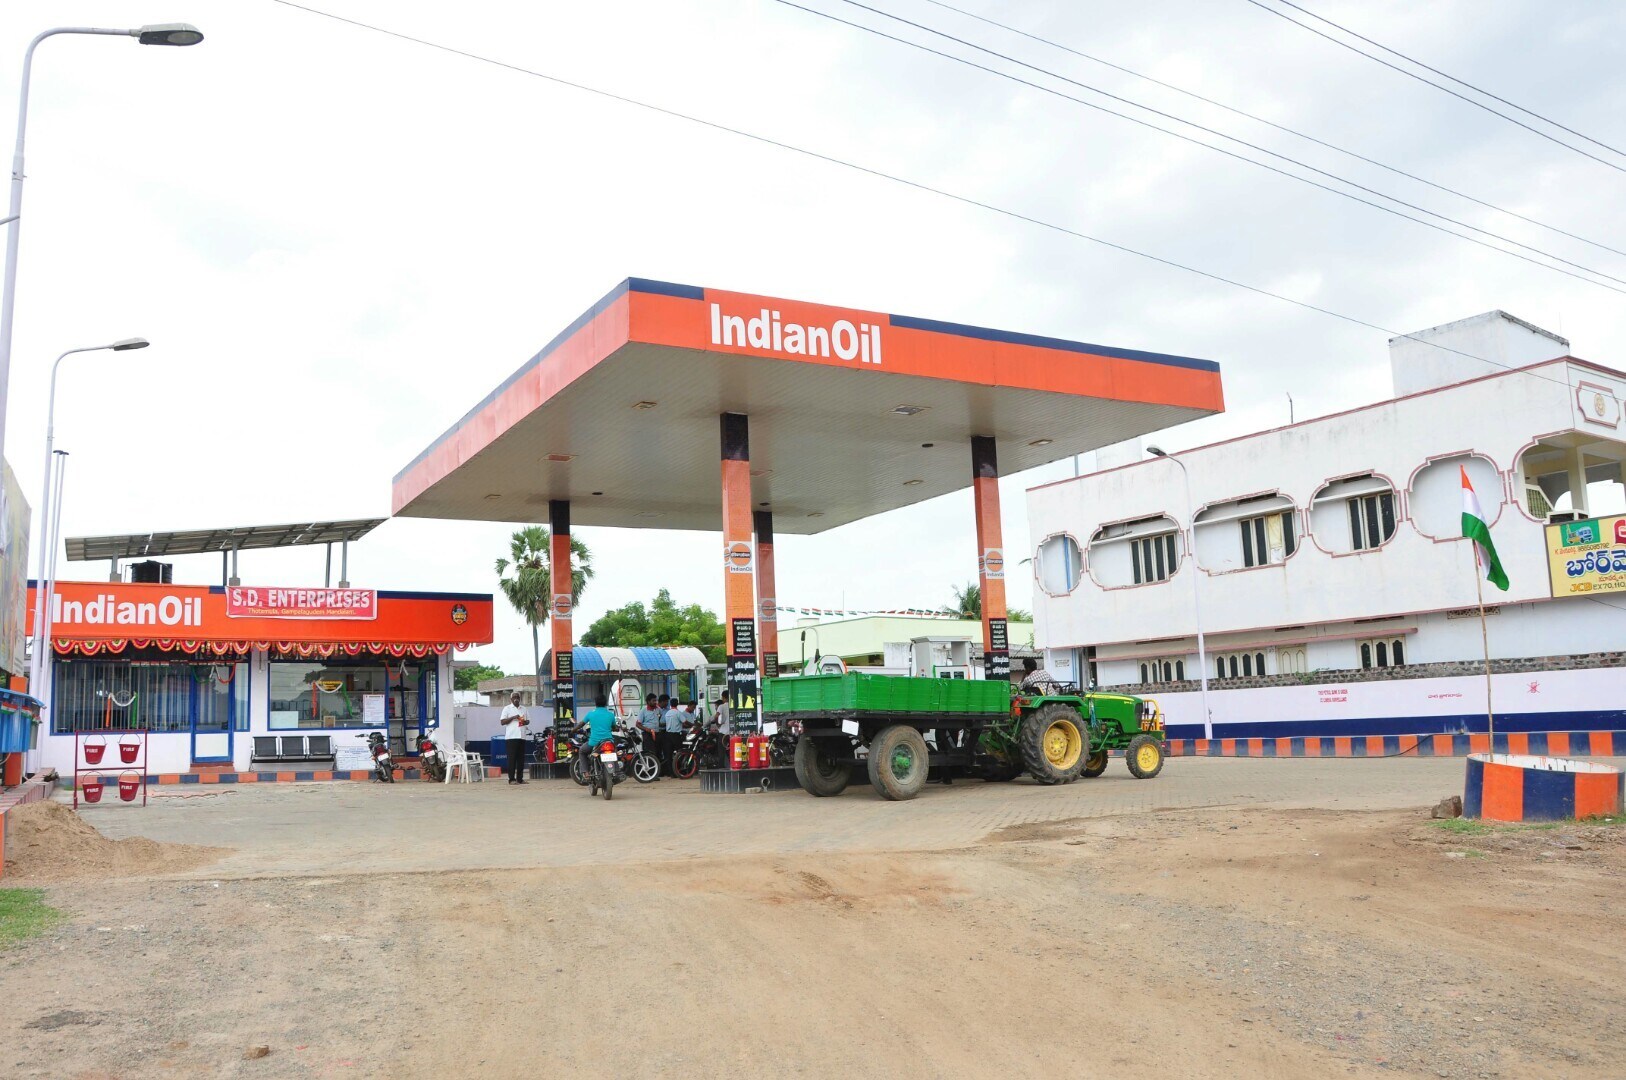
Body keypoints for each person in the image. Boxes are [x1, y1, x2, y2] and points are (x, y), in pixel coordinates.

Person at [582, 694, 618, 786]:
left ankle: (585, 772)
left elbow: (581, 724)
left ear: (595, 703)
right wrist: (615, 728)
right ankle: (617, 771)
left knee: (582, 751)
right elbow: (614, 727)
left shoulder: (591, 714)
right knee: (615, 752)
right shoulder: (610, 715)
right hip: (608, 741)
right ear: (605, 703)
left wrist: (573, 730)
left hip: (594, 743)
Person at [500, 691, 529, 784]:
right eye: (514, 697)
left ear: (520, 699)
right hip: (511, 737)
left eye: (517, 697)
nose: (516, 699)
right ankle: (511, 779)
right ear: (511, 699)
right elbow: (502, 722)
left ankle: (520, 779)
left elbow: (528, 721)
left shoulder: (524, 709)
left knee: (521, 759)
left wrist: (524, 721)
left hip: (522, 736)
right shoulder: (507, 709)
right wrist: (513, 717)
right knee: (512, 759)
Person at [661, 698, 687, 775]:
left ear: (670, 704)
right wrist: (693, 725)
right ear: (677, 704)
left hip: (668, 735)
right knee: (679, 753)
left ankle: (671, 772)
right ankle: (679, 770)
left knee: (669, 754)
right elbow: (685, 722)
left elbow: (663, 723)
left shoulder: (667, 713)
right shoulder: (678, 713)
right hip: (676, 735)